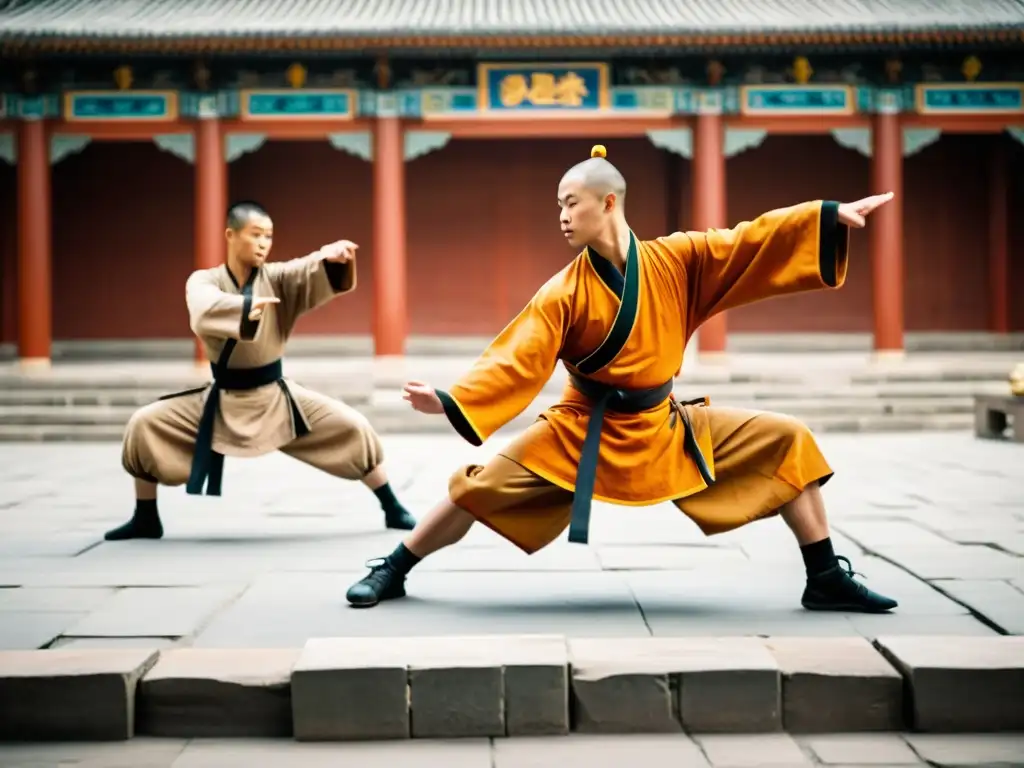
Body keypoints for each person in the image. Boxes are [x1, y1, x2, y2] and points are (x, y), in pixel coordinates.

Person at [344, 145, 898, 614]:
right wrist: (451, 400)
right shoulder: (563, 291)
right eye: (557, 205)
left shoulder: (678, 260)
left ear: (608, 203)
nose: (560, 215)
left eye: (570, 203)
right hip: (581, 428)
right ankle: (394, 568)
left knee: (788, 439)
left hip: (663, 423)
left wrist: (823, 218)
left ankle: (824, 577)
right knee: (476, 488)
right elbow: (515, 357)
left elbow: (746, 241)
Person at [105, 200, 416, 541]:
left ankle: (391, 506)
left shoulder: (277, 278)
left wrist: (327, 258)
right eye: (256, 235)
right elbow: (204, 306)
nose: (265, 243)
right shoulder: (203, 280)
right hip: (219, 401)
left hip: (277, 399)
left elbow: (304, 269)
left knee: (353, 426)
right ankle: (145, 516)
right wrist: (245, 308)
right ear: (231, 235)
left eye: (269, 236)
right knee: (144, 424)